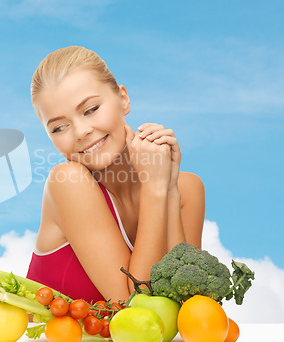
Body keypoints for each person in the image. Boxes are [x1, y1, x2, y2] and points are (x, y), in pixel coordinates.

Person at [26, 46, 205, 304]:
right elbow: (133, 306)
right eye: (59, 127)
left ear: (123, 98)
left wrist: (169, 191)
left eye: (90, 110)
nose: (80, 132)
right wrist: (154, 188)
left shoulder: (187, 188)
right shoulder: (67, 181)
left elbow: (188, 305)